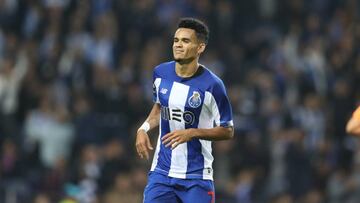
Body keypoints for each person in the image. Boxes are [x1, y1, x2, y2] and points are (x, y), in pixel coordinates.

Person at [135, 18, 234, 203]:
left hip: (197, 177)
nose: (178, 45)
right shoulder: (160, 73)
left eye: (186, 41)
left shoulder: (213, 85)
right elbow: (159, 108)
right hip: (161, 173)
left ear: (200, 48)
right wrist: (143, 129)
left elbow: (227, 130)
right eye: (176, 40)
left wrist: (192, 133)